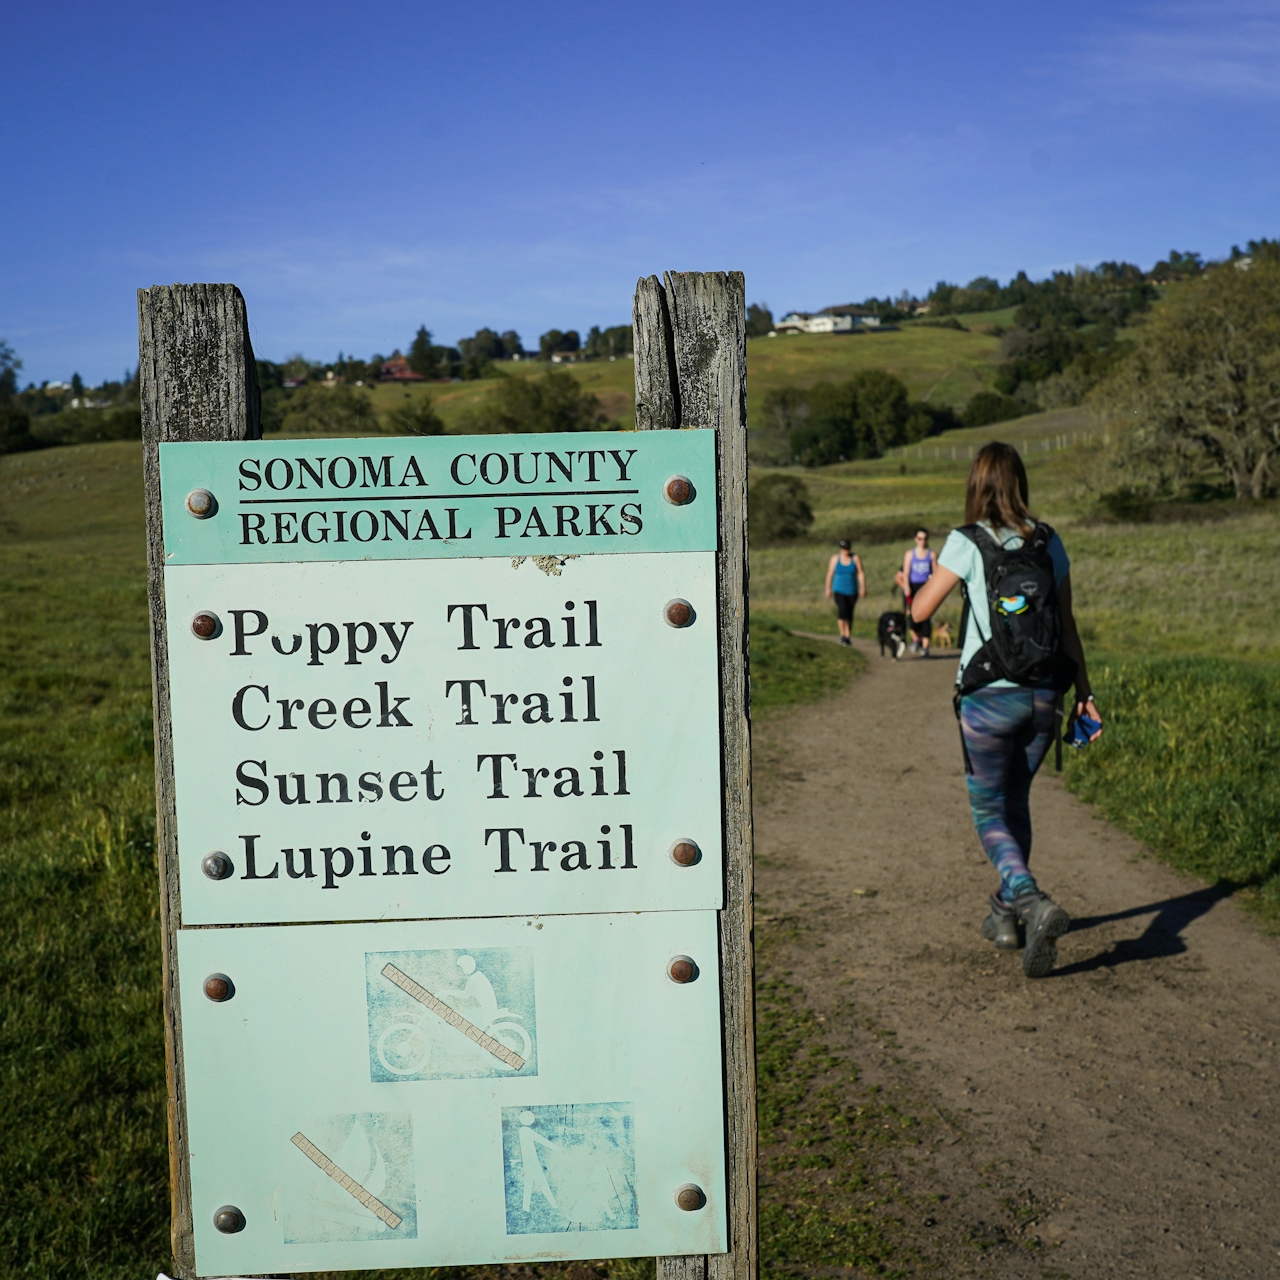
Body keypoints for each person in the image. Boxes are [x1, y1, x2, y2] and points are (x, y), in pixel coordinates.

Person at [910, 442, 1102, 978]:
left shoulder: (967, 542)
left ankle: (1030, 900)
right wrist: (1083, 691)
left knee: (989, 811)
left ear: (976, 485)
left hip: (987, 694)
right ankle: (1004, 915)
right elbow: (1067, 625)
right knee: (1015, 804)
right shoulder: (1048, 542)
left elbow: (921, 613)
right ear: (1020, 482)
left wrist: (921, 584)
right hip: (1046, 694)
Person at [824, 538, 866, 646]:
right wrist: (828, 588)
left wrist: (863, 587)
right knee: (842, 610)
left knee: (849, 613)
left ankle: (848, 636)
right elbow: (830, 574)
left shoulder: (855, 558)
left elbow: (860, 573)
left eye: (847, 549)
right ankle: (843, 634)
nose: (846, 551)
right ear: (840, 549)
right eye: (844, 549)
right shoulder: (835, 559)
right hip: (838, 589)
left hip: (852, 590)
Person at [901, 528, 937, 655]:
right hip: (913, 586)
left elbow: (935, 572)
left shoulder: (931, 554)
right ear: (916, 539)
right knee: (912, 615)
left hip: (926, 587)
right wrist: (906, 587)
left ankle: (925, 646)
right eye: (920, 538)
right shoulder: (910, 554)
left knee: (926, 616)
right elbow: (906, 572)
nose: (923, 541)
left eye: (925, 538)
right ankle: (916, 639)